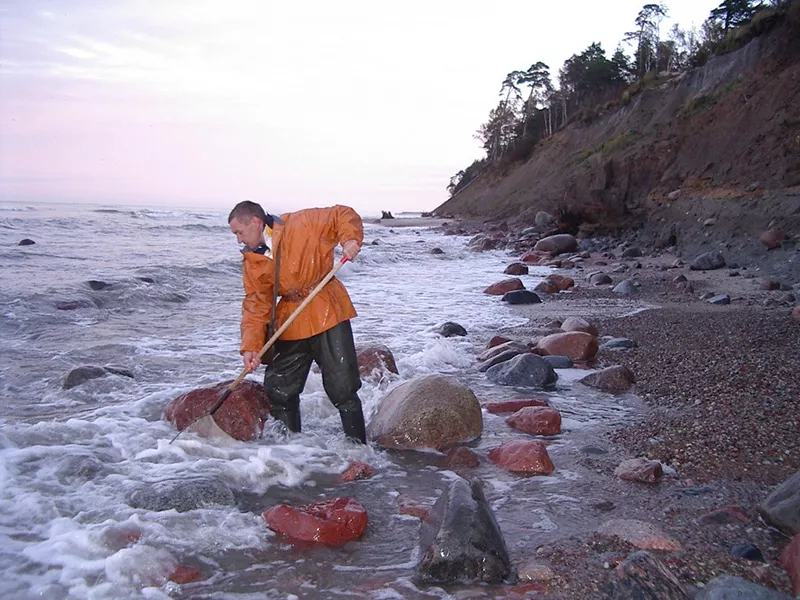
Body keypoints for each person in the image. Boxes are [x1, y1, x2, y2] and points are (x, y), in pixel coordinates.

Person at [228, 200, 367, 444]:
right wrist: (251, 346)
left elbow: (340, 214)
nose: (239, 240)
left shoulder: (301, 223)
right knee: (279, 388)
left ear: (256, 222)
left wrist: (350, 239)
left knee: (343, 388)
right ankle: (293, 453)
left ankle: (358, 450)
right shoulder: (252, 260)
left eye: (239, 232)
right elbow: (256, 303)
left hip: (327, 308)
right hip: (291, 319)